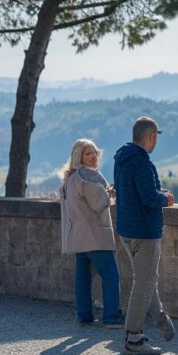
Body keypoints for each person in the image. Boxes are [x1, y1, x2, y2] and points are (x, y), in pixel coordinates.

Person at [114, 117, 176, 355]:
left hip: (126, 229)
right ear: (151, 136)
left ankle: (160, 318)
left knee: (146, 278)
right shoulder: (142, 162)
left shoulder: (122, 159)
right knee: (144, 282)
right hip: (145, 231)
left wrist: (158, 193)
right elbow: (149, 198)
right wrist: (167, 199)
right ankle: (134, 337)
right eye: (156, 136)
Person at [59, 138, 123, 328]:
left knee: (83, 278)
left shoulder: (70, 179)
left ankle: (84, 315)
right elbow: (99, 203)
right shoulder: (88, 177)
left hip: (78, 235)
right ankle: (111, 316)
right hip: (94, 234)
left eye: (94, 152)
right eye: (88, 153)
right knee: (111, 275)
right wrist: (111, 192)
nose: (93, 157)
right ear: (80, 157)